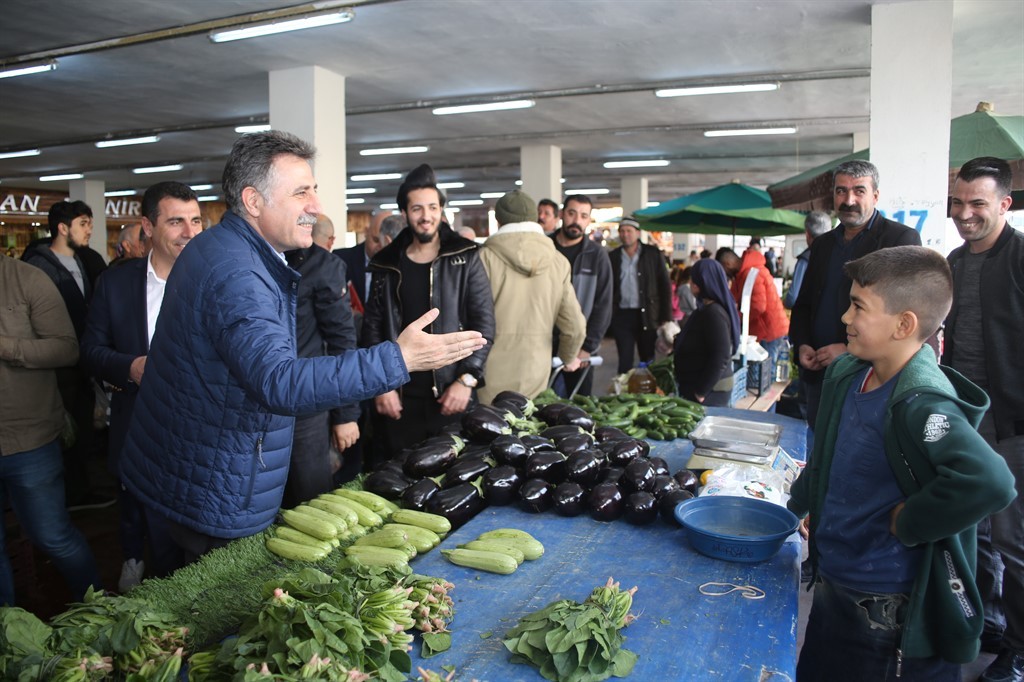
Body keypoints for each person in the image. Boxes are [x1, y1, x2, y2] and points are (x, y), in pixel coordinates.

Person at [118, 131, 486, 568]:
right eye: (301, 193)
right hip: (214, 480)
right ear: (253, 201)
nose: (316, 205)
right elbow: (280, 381)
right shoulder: (237, 272)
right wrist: (398, 359)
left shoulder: (226, 249)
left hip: (202, 466)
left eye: (314, 190)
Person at [788, 246, 1016, 681]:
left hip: (886, 609)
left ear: (904, 325)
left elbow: (991, 481)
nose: (845, 317)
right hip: (835, 581)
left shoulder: (922, 404)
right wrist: (795, 507)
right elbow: (825, 456)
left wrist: (911, 520)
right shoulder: (848, 373)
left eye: (858, 307)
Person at [80, 181, 202, 589]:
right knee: (141, 511)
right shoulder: (116, 284)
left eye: (196, 220)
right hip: (138, 424)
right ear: (148, 227)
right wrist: (129, 367)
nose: (189, 232)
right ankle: (137, 561)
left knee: (189, 534)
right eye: (176, 221)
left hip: (201, 430)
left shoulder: (216, 280)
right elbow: (90, 350)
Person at [943, 156, 1024, 682]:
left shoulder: (1020, 257)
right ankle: (990, 621)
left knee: (1015, 540)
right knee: (977, 529)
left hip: (1015, 422)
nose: (965, 213)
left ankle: (1020, 648)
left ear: (1004, 204)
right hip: (965, 415)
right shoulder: (953, 260)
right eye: (958, 202)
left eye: (977, 203)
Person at [362, 163, 495, 461]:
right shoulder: (386, 263)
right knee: (394, 475)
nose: (426, 216)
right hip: (398, 397)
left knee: (454, 478)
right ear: (405, 213)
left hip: (451, 395)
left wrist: (467, 380)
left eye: (433, 207)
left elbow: (484, 326)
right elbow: (372, 328)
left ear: (441, 210)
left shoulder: (465, 256)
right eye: (417, 208)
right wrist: (380, 385)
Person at [789, 159, 921, 431]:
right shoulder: (822, 244)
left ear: (875, 196)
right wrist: (802, 344)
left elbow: (902, 316)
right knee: (818, 445)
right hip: (819, 375)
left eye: (859, 191)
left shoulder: (900, 241)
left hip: (868, 377)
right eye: (841, 191)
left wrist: (850, 351)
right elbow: (804, 304)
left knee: (858, 448)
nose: (848, 200)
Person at [1, 253, 102, 606]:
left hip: (29, 440)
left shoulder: (26, 279)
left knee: (53, 536)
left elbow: (66, 349)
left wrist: (6, 347)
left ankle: (97, 609)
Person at [23, 200, 108, 510]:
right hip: (58, 368)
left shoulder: (82, 261)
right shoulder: (39, 267)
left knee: (82, 429)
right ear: (62, 228)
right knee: (64, 432)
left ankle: (79, 491)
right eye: (83, 224)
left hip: (82, 362)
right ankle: (65, 497)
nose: (89, 230)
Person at [283, 214, 361, 505]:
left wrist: (346, 415)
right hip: (254, 407)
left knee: (311, 500)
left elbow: (342, 342)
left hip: (306, 407)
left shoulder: (324, 266)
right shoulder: (251, 258)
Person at [477, 190, 584, 403]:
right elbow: (575, 327)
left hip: (488, 374)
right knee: (528, 421)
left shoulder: (482, 259)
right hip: (536, 370)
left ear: (499, 221)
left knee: (490, 423)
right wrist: (567, 357)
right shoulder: (558, 261)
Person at [550, 194, 613, 397]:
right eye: (572, 213)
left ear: (588, 220)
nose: (576, 220)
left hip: (580, 346)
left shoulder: (597, 255)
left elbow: (603, 305)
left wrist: (587, 347)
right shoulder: (544, 248)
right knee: (539, 405)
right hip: (543, 344)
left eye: (583, 216)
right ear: (562, 214)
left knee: (579, 403)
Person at [608, 216, 672, 374]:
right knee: (625, 361)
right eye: (622, 231)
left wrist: (666, 315)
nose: (625, 235)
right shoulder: (613, 256)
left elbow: (665, 285)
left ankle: (648, 386)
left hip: (647, 314)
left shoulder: (652, 254)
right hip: (622, 316)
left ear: (637, 233)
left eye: (629, 231)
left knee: (648, 359)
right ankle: (624, 387)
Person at [672, 258, 740, 405]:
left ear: (699, 284)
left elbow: (721, 356)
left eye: (693, 280)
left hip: (710, 393)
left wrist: (701, 392)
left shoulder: (714, 313)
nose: (690, 284)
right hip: (702, 388)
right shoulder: (706, 309)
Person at [716, 242, 789, 377]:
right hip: (765, 330)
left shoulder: (752, 272)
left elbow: (758, 306)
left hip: (768, 331)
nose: (725, 274)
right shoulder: (742, 274)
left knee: (765, 375)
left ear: (727, 264)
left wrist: (737, 318)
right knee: (762, 375)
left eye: (723, 270)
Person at [335, 210, 402, 308]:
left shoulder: (401, 265)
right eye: (376, 240)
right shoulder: (341, 259)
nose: (381, 246)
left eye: (386, 243)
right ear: (366, 232)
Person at [783, 211, 832, 309]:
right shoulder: (835, 255)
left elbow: (792, 299)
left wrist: (785, 302)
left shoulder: (805, 259)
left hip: (807, 315)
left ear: (807, 234)